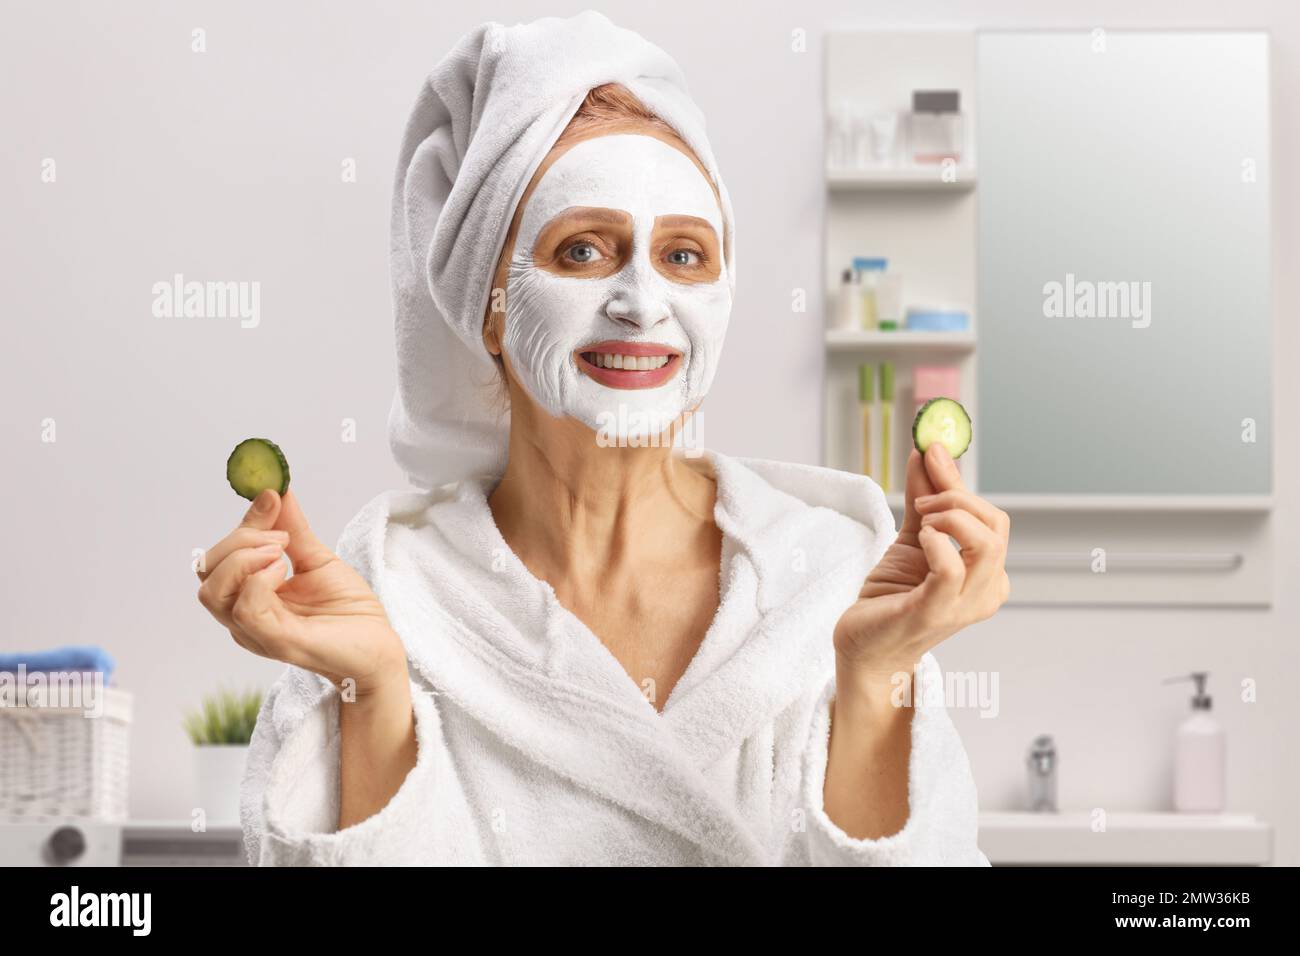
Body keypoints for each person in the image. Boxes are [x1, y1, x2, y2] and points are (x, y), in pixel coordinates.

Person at [195, 12, 1008, 866]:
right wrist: (374, 692)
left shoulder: (836, 576)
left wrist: (876, 680)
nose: (643, 303)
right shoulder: (389, 594)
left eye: (686, 256)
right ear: (491, 311)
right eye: (583, 250)